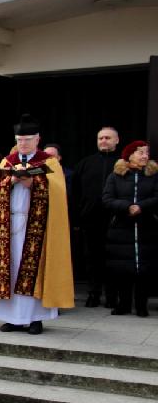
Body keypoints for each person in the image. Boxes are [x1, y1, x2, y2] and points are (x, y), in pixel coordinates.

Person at [0, 114, 74, 335]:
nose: (23, 144)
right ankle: (11, 318)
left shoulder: (49, 162)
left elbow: (58, 192)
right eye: (20, 139)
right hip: (9, 224)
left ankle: (36, 319)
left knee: (33, 268)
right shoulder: (8, 161)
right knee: (10, 268)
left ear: (37, 139)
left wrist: (34, 183)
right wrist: (11, 181)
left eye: (27, 139)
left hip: (36, 225)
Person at [102, 141, 158, 316]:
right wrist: (127, 206)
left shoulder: (153, 176)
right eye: (140, 152)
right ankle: (123, 304)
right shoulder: (115, 176)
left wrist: (141, 206)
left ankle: (141, 305)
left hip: (146, 228)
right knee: (122, 269)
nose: (145, 156)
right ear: (129, 155)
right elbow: (107, 199)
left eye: (146, 152)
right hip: (121, 229)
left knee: (144, 269)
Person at [72, 127, 120, 308]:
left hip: (116, 221)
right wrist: (78, 217)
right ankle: (94, 293)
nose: (103, 141)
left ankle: (112, 296)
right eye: (100, 138)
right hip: (90, 220)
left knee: (113, 258)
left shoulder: (122, 164)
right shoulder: (85, 163)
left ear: (117, 140)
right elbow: (75, 192)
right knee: (92, 258)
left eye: (108, 138)